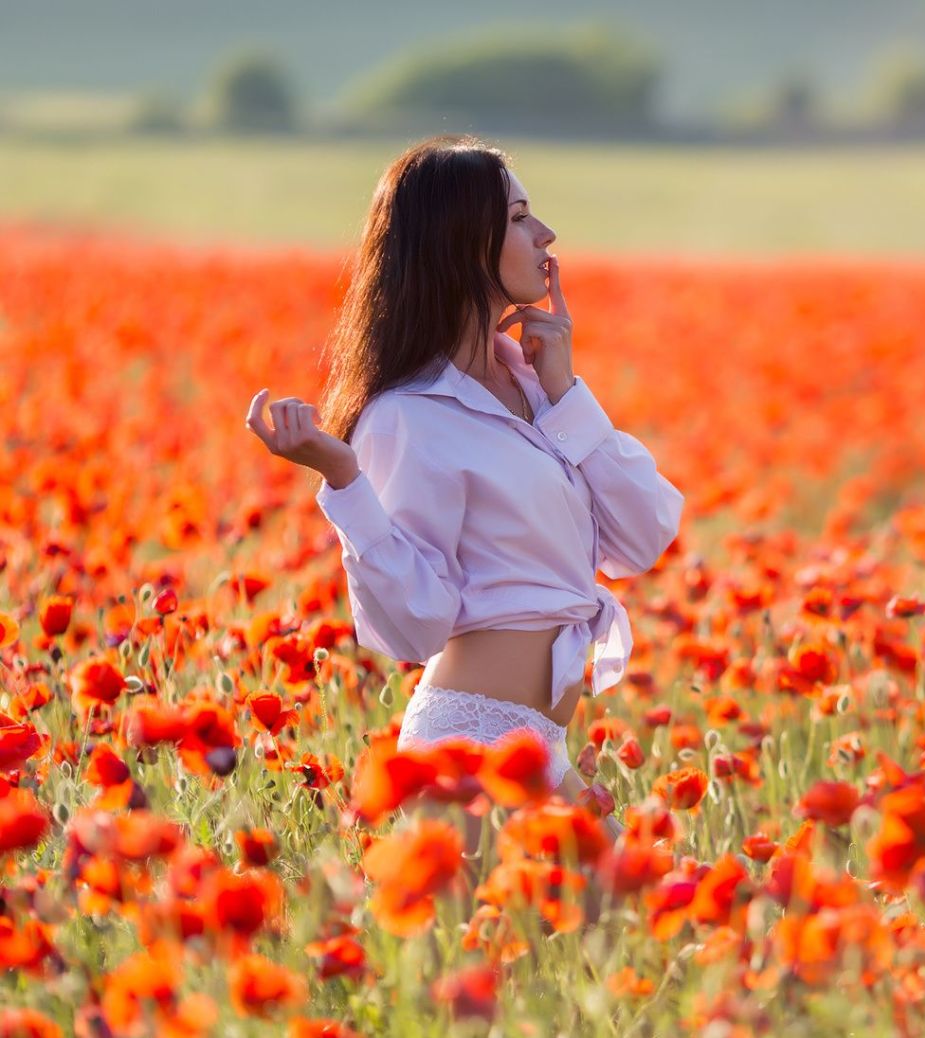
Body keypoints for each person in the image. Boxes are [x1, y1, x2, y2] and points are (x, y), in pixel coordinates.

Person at [243, 134, 684, 859]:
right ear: (461, 242)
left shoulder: (541, 390)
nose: (545, 235)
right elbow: (417, 628)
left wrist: (567, 392)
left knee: (641, 933)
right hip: (469, 749)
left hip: (543, 747)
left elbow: (645, 531)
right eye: (517, 217)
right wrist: (345, 480)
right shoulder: (409, 415)